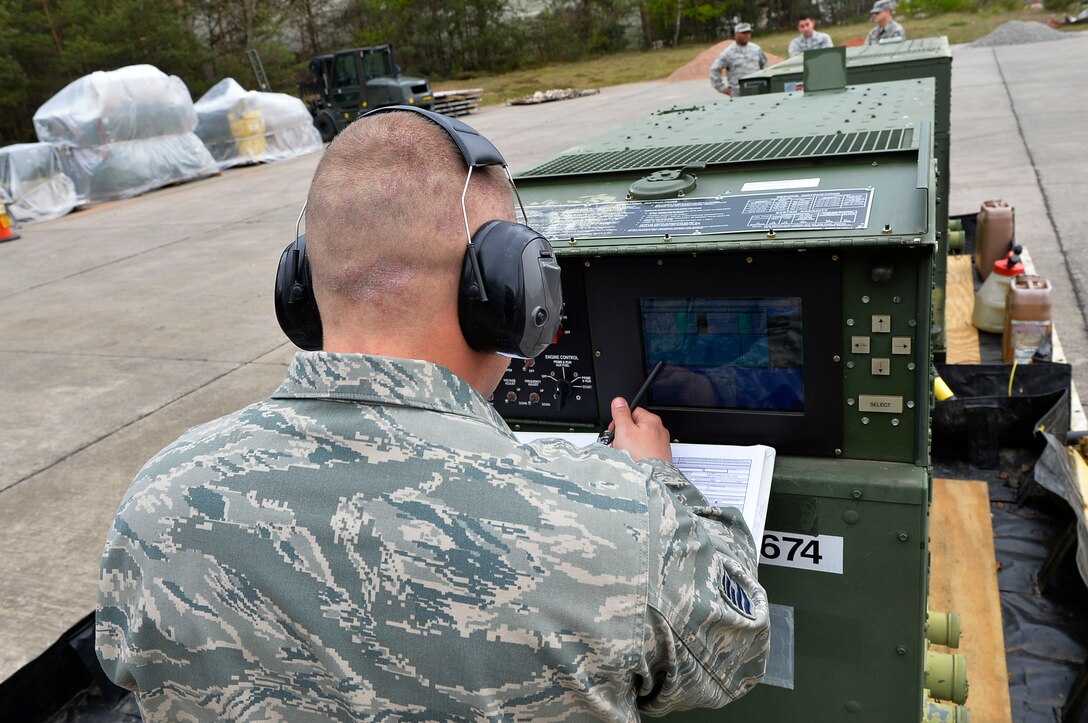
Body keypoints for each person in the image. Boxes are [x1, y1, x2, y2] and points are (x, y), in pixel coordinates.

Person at [96, 108, 770, 720]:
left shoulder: (156, 500)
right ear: (510, 290)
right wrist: (657, 479)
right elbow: (733, 648)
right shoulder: (617, 522)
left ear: (301, 285)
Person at [710, 22, 769, 98]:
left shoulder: (756, 49)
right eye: (743, 33)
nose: (746, 35)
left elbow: (765, 64)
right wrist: (722, 88)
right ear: (736, 34)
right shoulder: (728, 53)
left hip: (758, 91)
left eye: (748, 32)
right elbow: (714, 69)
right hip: (738, 93)